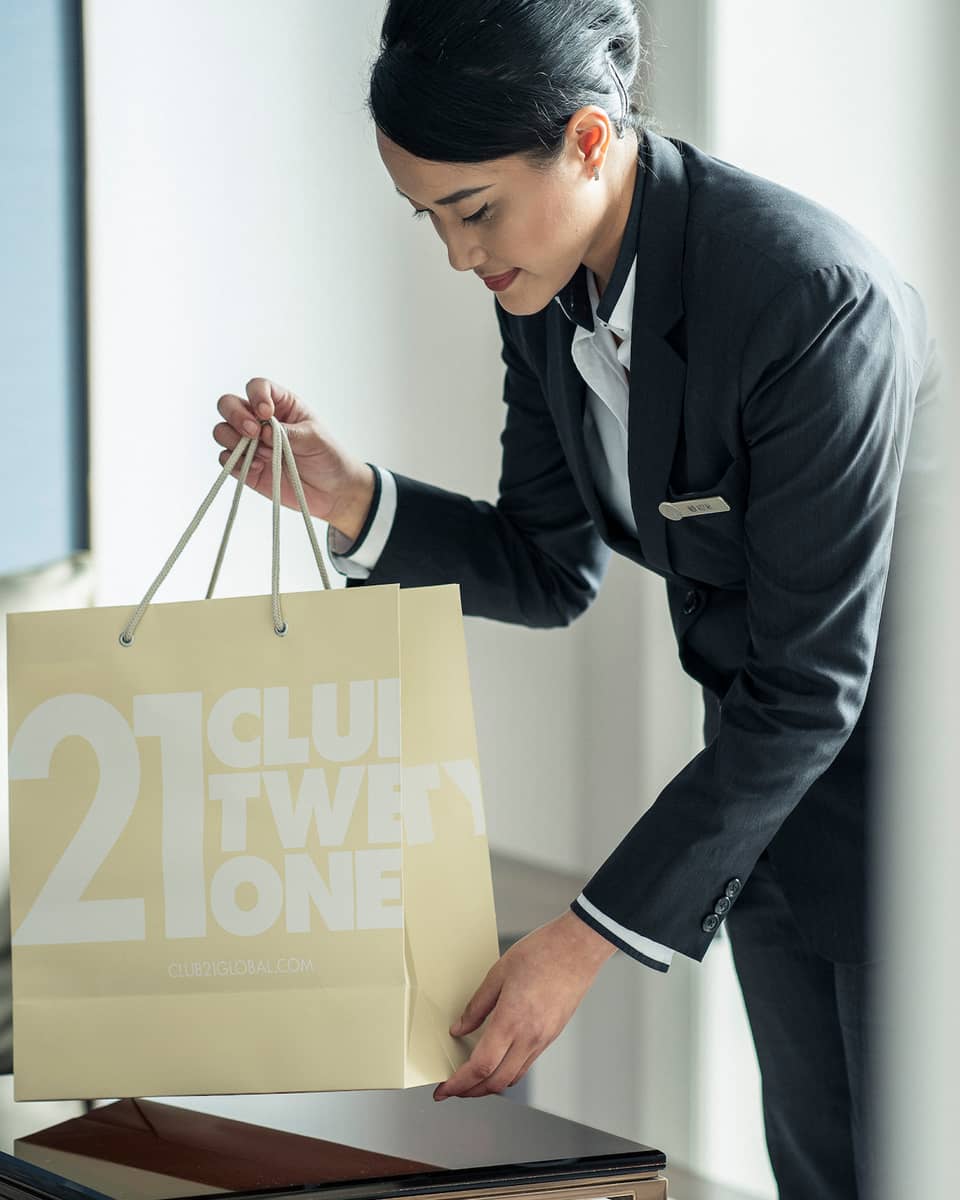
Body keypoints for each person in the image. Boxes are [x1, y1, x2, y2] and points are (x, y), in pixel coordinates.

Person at [213, 2, 942, 1197]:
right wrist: (347, 500)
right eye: (430, 219)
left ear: (593, 142)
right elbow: (549, 567)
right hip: (767, 802)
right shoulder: (544, 287)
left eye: (474, 209)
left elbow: (814, 686)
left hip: (918, 802)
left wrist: (584, 935)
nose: (457, 254)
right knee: (820, 1172)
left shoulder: (809, 299)